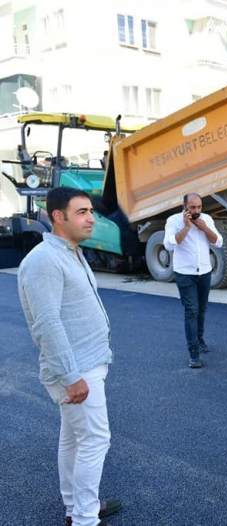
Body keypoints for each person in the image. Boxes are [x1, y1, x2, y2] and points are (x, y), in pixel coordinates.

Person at [17, 186, 122, 526]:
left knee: (74, 439)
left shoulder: (70, 251)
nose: (91, 218)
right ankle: (85, 519)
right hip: (76, 370)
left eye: (91, 211)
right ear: (57, 216)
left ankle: (76, 507)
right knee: (94, 440)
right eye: (81, 212)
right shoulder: (45, 260)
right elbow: (47, 323)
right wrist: (70, 376)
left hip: (84, 363)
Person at [164, 193, 223, 368]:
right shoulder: (174, 221)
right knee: (192, 310)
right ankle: (193, 352)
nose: (196, 211)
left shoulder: (206, 219)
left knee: (202, 309)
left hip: (204, 271)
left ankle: (199, 338)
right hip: (184, 273)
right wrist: (187, 227)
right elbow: (168, 245)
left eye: (199, 207)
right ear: (184, 207)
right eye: (192, 207)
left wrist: (205, 228)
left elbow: (218, 242)